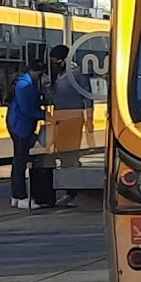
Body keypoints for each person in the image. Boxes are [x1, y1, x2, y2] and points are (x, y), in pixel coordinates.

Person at [47, 44, 91, 207]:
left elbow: (87, 96)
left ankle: (71, 192)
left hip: (73, 118)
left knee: (70, 155)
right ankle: (69, 189)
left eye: (56, 60)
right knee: (63, 154)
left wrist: (89, 119)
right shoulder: (60, 75)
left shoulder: (77, 74)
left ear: (65, 59)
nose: (54, 64)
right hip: (60, 119)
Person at [7, 59, 48, 210]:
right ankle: (22, 197)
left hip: (19, 125)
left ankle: (16, 196)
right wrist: (44, 115)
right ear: (35, 72)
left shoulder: (25, 82)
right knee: (20, 162)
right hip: (21, 126)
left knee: (18, 161)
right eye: (40, 74)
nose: (40, 77)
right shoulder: (25, 85)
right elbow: (26, 109)